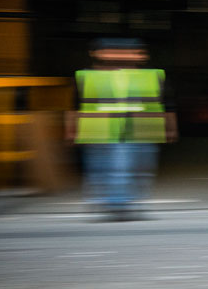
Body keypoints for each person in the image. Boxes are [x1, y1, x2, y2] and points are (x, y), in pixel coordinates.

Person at [66, 38, 176, 220]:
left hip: (139, 131)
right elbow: (75, 106)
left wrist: (170, 129)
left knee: (136, 170)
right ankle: (116, 202)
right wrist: (71, 130)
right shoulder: (86, 77)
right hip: (99, 132)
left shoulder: (153, 76)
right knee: (110, 169)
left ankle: (123, 202)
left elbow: (167, 105)